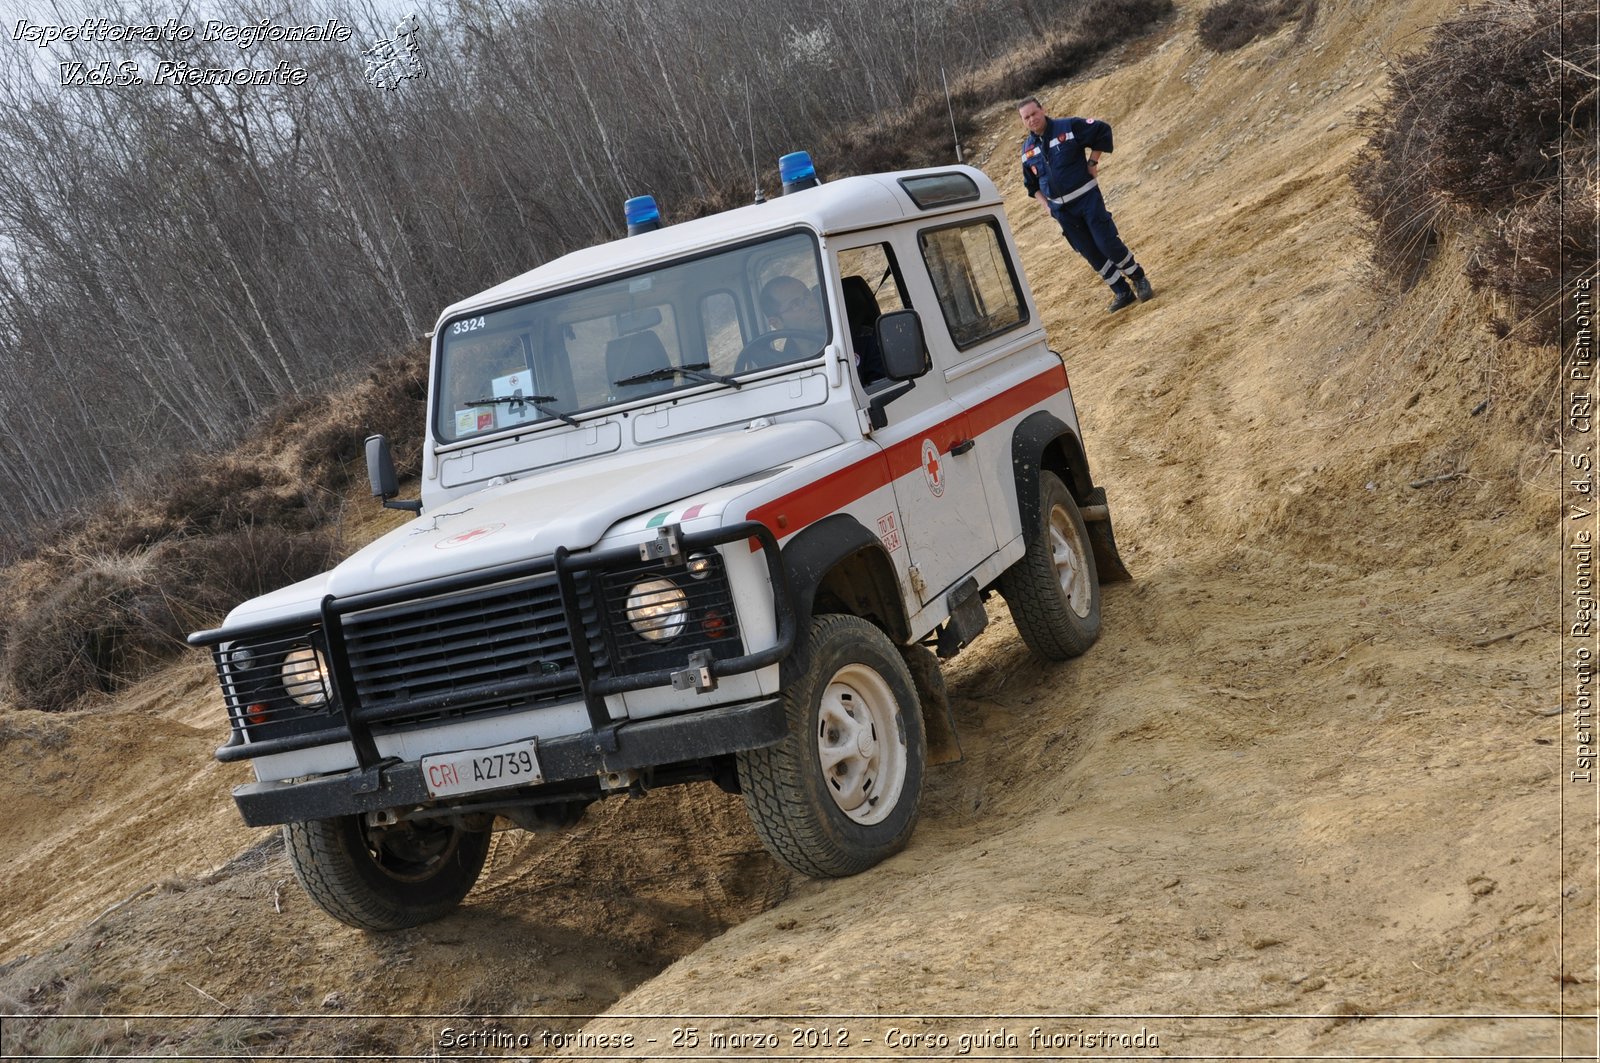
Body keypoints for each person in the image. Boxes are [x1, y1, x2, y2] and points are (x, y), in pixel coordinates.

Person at [1018, 96, 1154, 314]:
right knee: (1090, 252)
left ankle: (1138, 278)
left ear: (1042, 110)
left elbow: (1102, 130)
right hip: (1063, 212)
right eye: (1026, 117)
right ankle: (1121, 291)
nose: (1032, 119)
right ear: (1023, 121)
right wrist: (1046, 205)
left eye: (1034, 114)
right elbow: (1031, 185)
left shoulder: (1068, 127)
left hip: (1087, 200)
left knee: (1106, 243)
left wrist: (1093, 162)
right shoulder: (1027, 151)